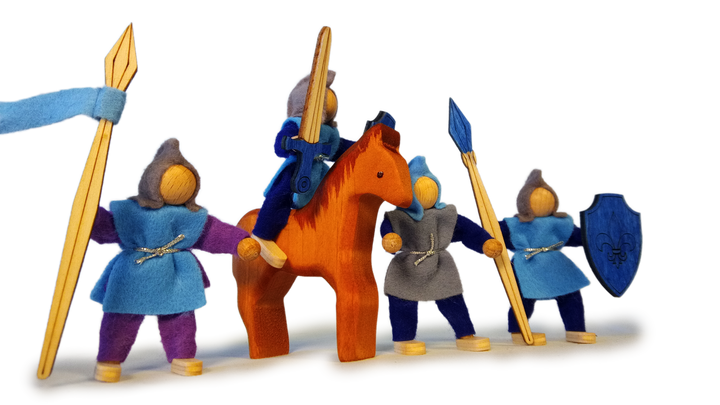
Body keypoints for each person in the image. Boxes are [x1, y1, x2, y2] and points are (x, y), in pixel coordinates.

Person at [87, 136, 260, 382]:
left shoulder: (191, 217)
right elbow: (106, 228)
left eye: (187, 183)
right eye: (174, 182)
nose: (180, 189)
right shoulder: (131, 213)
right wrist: (89, 218)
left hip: (176, 274)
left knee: (180, 316)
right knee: (121, 317)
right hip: (133, 274)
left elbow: (213, 234)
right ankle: (109, 359)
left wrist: (239, 242)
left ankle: (182, 355)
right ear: (153, 181)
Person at [379, 153, 503, 355]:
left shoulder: (446, 215)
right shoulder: (397, 216)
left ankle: (465, 334)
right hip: (407, 267)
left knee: (452, 298)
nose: (427, 195)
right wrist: (390, 239)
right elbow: (388, 232)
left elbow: (467, 231)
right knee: (402, 302)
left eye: (431, 189)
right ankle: (404, 338)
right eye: (420, 191)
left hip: (439, 264)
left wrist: (485, 243)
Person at [252, 68, 354, 268]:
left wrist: (364, 145)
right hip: (297, 169)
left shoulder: (329, 132)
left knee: (333, 198)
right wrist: (290, 141)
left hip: (320, 174)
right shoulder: (296, 124)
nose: (331, 107)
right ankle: (263, 234)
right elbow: (280, 145)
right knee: (281, 195)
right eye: (326, 102)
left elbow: (341, 149)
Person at [498, 167, 596, 344]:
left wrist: (596, 236)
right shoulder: (514, 224)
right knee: (523, 298)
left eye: (548, 199)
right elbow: (494, 235)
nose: (543, 204)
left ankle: (576, 329)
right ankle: (518, 330)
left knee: (570, 293)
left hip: (555, 264)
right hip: (526, 264)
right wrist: (486, 237)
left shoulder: (559, 223)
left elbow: (577, 237)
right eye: (537, 200)